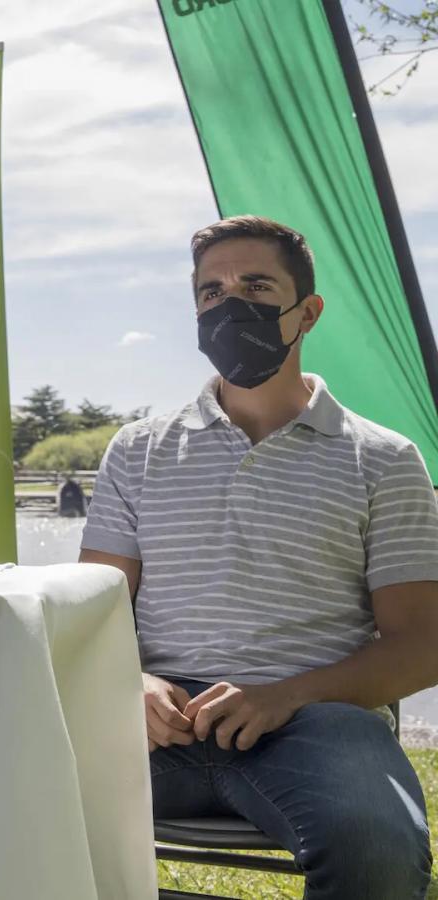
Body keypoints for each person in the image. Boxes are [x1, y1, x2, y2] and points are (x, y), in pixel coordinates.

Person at [81, 215, 438, 897]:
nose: (229, 302)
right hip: (157, 723)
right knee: (0, 805)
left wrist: (285, 696)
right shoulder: (137, 450)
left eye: (254, 284)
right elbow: (91, 610)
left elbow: (421, 645)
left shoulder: (385, 460)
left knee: (378, 849)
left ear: (308, 311)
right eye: (211, 292)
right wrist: (129, 682)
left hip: (316, 722)